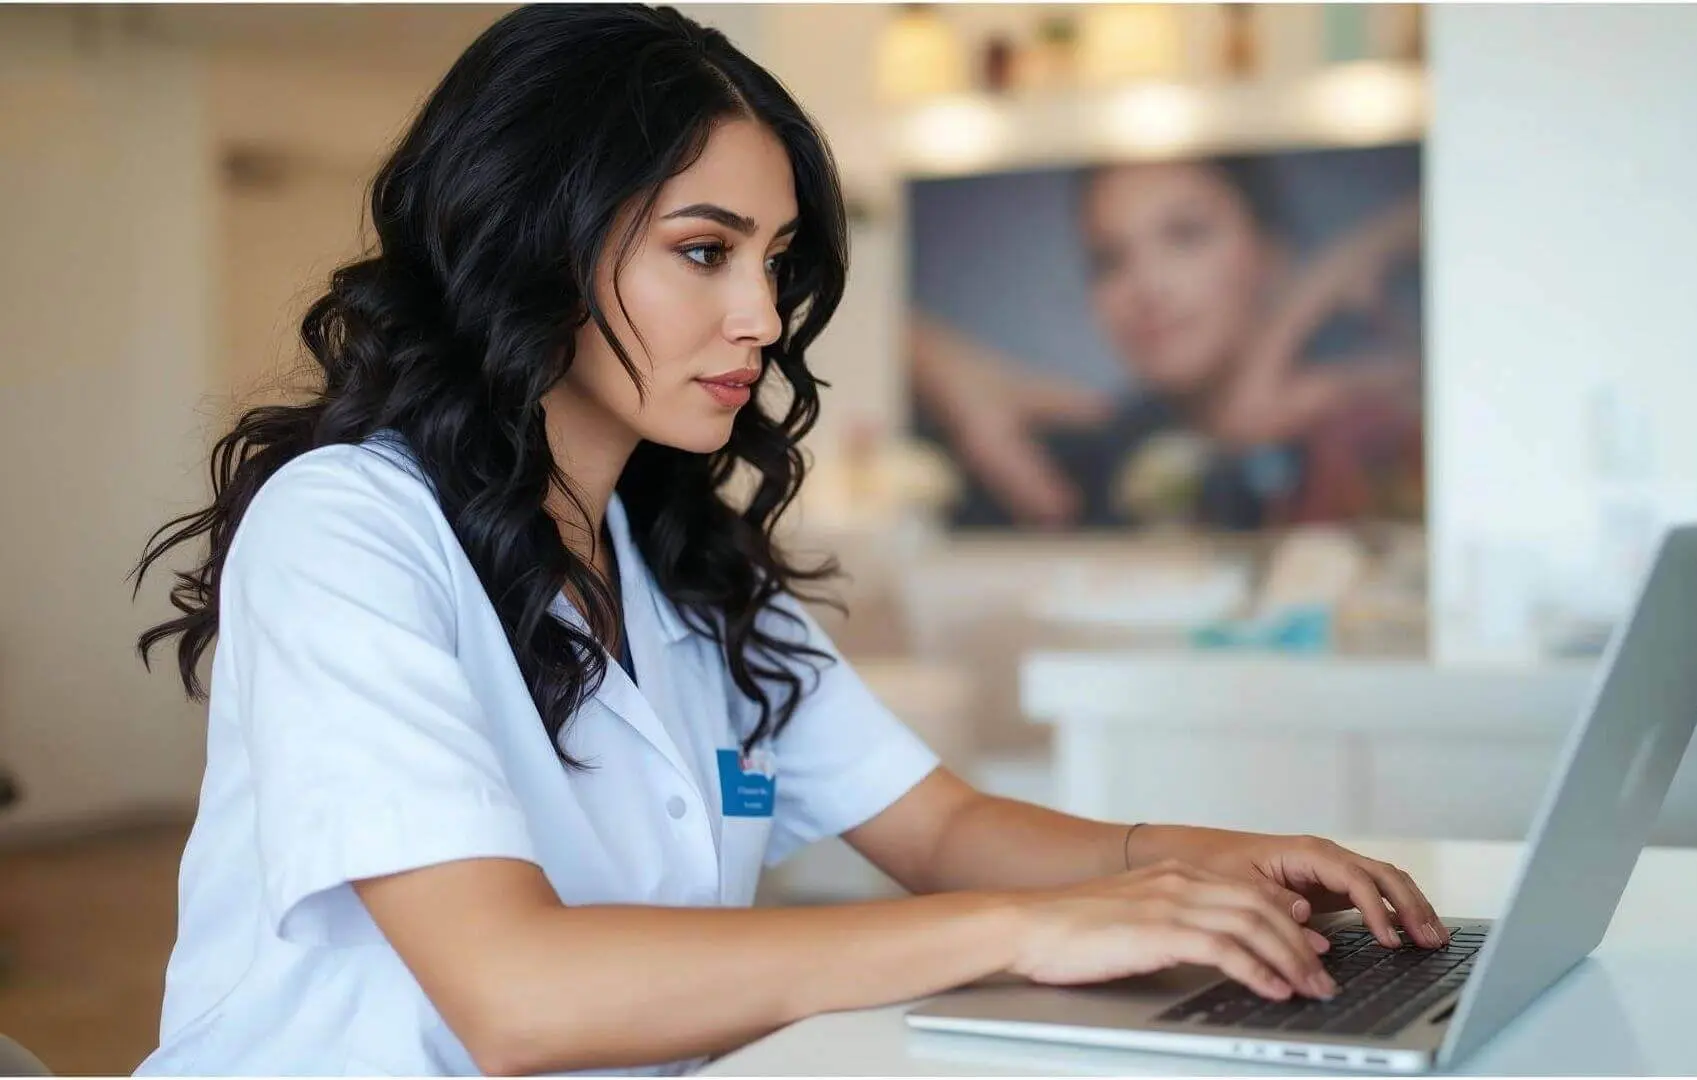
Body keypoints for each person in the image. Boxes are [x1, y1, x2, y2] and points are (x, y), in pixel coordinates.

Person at [130, 7, 1447, 1076]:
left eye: (775, 261)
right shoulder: (347, 531)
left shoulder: (674, 552)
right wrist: (1035, 928)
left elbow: (943, 826)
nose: (762, 316)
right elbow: (515, 995)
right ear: (527, 242)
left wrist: (1198, 860)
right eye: (705, 252)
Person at [911, 155, 1423, 530]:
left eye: (1185, 236)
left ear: (1269, 256)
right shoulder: (1100, 448)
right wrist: (960, 379)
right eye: (1110, 260)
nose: (1147, 287)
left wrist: (1300, 307)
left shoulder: (1364, 435)